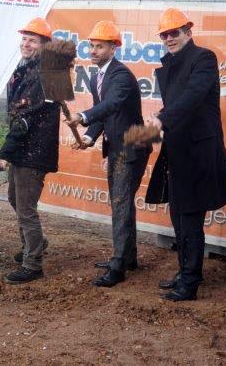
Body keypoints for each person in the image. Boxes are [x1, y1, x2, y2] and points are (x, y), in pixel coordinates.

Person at [145, 8, 226, 301]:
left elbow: (192, 97)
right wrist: (159, 119)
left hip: (198, 152)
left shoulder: (204, 58)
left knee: (190, 219)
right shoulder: (171, 65)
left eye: (175, 32)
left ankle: (190, 282)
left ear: (188, 31)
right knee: (177, 217)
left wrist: (162, 118)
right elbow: (177, 104)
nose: (170, 38)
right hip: (177, 151)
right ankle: (185, 270)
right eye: (165, 34)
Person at [66, 20, 151, 288]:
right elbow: (104, 112)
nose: (92, 51)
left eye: (99, 46)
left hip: (133, 144)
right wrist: (90, 136)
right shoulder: (97, 75)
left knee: (121, 202)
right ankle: (128, 257)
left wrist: (82, 117)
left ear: (113, 48)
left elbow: (112, 104)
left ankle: (118, 265)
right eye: (91, 46)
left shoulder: (121, 76)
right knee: (121, 203)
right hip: (118, 144)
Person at [0, 18, 58, 284]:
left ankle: (32, 263)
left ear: (44, 45)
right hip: (24, 148)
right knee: (14, 198)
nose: (26, 44)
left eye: (32, 40)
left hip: (34, 151)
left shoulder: (43, 74)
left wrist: (5, 152)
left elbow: (24, 119)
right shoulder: (26, 68)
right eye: (24, 39)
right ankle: (36, 243)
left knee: (26, 209)